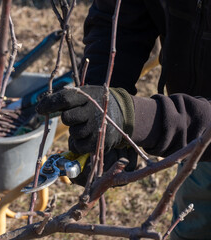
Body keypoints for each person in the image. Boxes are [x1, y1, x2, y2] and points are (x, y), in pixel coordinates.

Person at [36, 0, 211, 239]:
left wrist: (134, 118)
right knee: (196, 224)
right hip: (195, 144)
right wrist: (104, 99)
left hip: (193, 128)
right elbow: (119, 14)